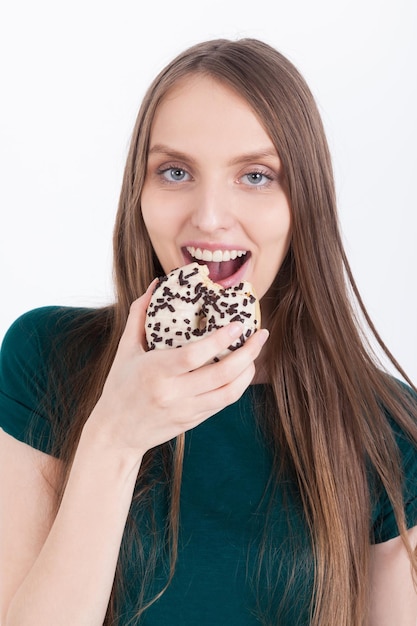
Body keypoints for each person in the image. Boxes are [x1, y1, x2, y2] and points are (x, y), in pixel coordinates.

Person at [0, 38, 416, 626]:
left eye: (255, 175)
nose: (211, 216)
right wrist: (114, 438)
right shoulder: (45, 358)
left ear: (306, 202)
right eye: (175, 171)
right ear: (138, 194)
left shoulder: (391, 430)